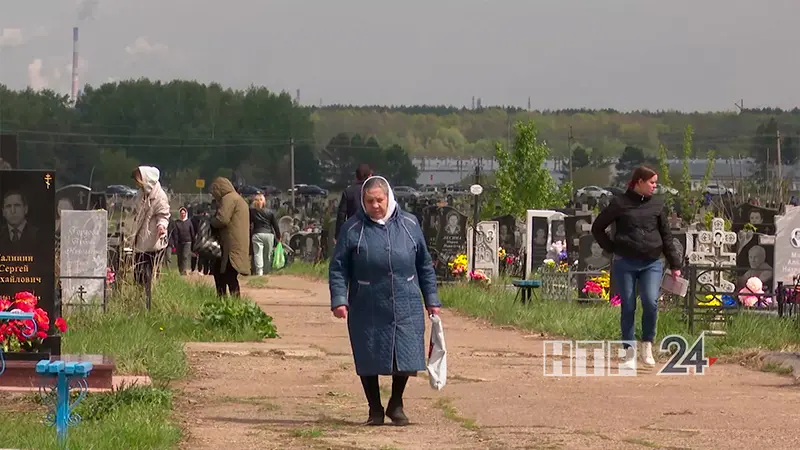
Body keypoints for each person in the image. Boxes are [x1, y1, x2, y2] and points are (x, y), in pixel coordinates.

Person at [329, 175, 441, 426]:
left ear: (388, 198)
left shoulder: (410, 224)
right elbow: (338, 267)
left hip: (406, 300)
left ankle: (396, 403)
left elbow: (424, 264)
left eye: (380, 200)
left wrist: (431, 299)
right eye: (370, 201)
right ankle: (375, 408)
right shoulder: (352, 229)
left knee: (406, 353)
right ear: (363, 202)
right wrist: (339, 299)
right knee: (368, 354)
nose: (376, 206)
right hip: (367, 303)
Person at [591, 166, 682, 369]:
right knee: (629, 305)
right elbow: (597, 227)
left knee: (650, 301)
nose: (654, 187)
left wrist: (675, 264)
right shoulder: (620, 203)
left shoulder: (657, 206)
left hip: (652, 262)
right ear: (639, 182)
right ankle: (629, 352)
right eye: (651, 183)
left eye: (655, 183)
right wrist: (612, 248)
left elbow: (666, 236)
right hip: (625, 262)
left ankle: (647, 344)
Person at [130, 166, 171, 304]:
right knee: (138, 273)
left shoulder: (160, 196)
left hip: (152, 241)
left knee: (148, 274)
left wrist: (161, 226)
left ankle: (148, 301)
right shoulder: (140, 194)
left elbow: (163, 215)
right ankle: (139, 298)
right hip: (140, 240)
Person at [210, 177, 250, 296]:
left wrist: (210, 222)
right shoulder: (239, 199)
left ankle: (227, 301)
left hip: (230, 245)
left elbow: (222, 219)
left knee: (225, 274)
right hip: (238, 243)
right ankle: (234, 303)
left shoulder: (228, 199)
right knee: (230, 275)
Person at [335, 164, 373, 240]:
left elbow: (341, 215)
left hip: (353, 230)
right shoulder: (373, 191)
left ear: (356, 176)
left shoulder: (349, 191)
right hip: (371, 230)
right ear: (369, 176)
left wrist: (338, 234)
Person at [249, 192, 281, 276]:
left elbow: (249, 224)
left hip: (257, 234)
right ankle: (267, 271)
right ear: (264, 202)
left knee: (258, 253)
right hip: (268, 234)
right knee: (267, 254)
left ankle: (259, 271)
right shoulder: (270, 212)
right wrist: (278, 237)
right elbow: (275, 225)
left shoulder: (252, 212)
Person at [170, 207, 195, 275]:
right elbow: (175, 234)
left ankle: (184, 270)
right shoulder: (177, 223)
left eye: (184, 213)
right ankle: (180, 270)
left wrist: (194, 241)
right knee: (180, 257)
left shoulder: (189, 222)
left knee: (185, 256)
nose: (182, 215)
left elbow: (192, 232)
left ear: (186, 214)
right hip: (179, 242)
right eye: (181, 213)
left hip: (188, 242)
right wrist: (175, 244)